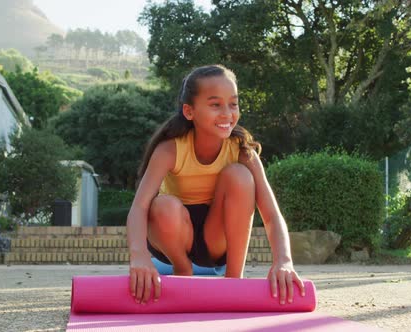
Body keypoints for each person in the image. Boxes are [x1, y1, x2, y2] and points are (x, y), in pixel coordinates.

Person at [126, 64, 305, 306]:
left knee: (240, 176)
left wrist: (284, 260)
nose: (227, 113)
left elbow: (271, 215)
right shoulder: (170, 149)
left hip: (216, 239)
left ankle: (234, 279)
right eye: (215, 105)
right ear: (189, 111)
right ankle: (183, 270)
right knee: (162, 204)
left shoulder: (242, 151)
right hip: (174, 237)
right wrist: (139, 258)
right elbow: (139, 207)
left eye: (233, 104)